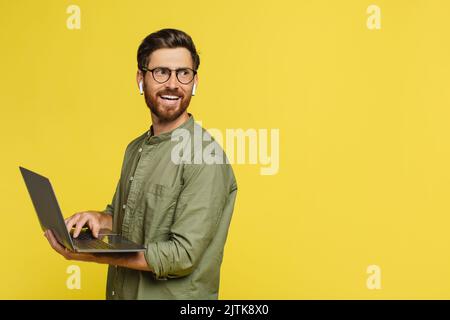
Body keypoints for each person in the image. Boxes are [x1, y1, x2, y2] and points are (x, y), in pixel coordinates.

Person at [44, 28, 238, 299]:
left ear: (195, 82)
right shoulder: (135, 148)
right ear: (140, 79)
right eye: (161, 72)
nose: (173, 83)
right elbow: (126, 219)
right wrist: (99, 219)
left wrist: (91, 256)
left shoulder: (205, 157)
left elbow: (182, 256)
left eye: (184, 73)